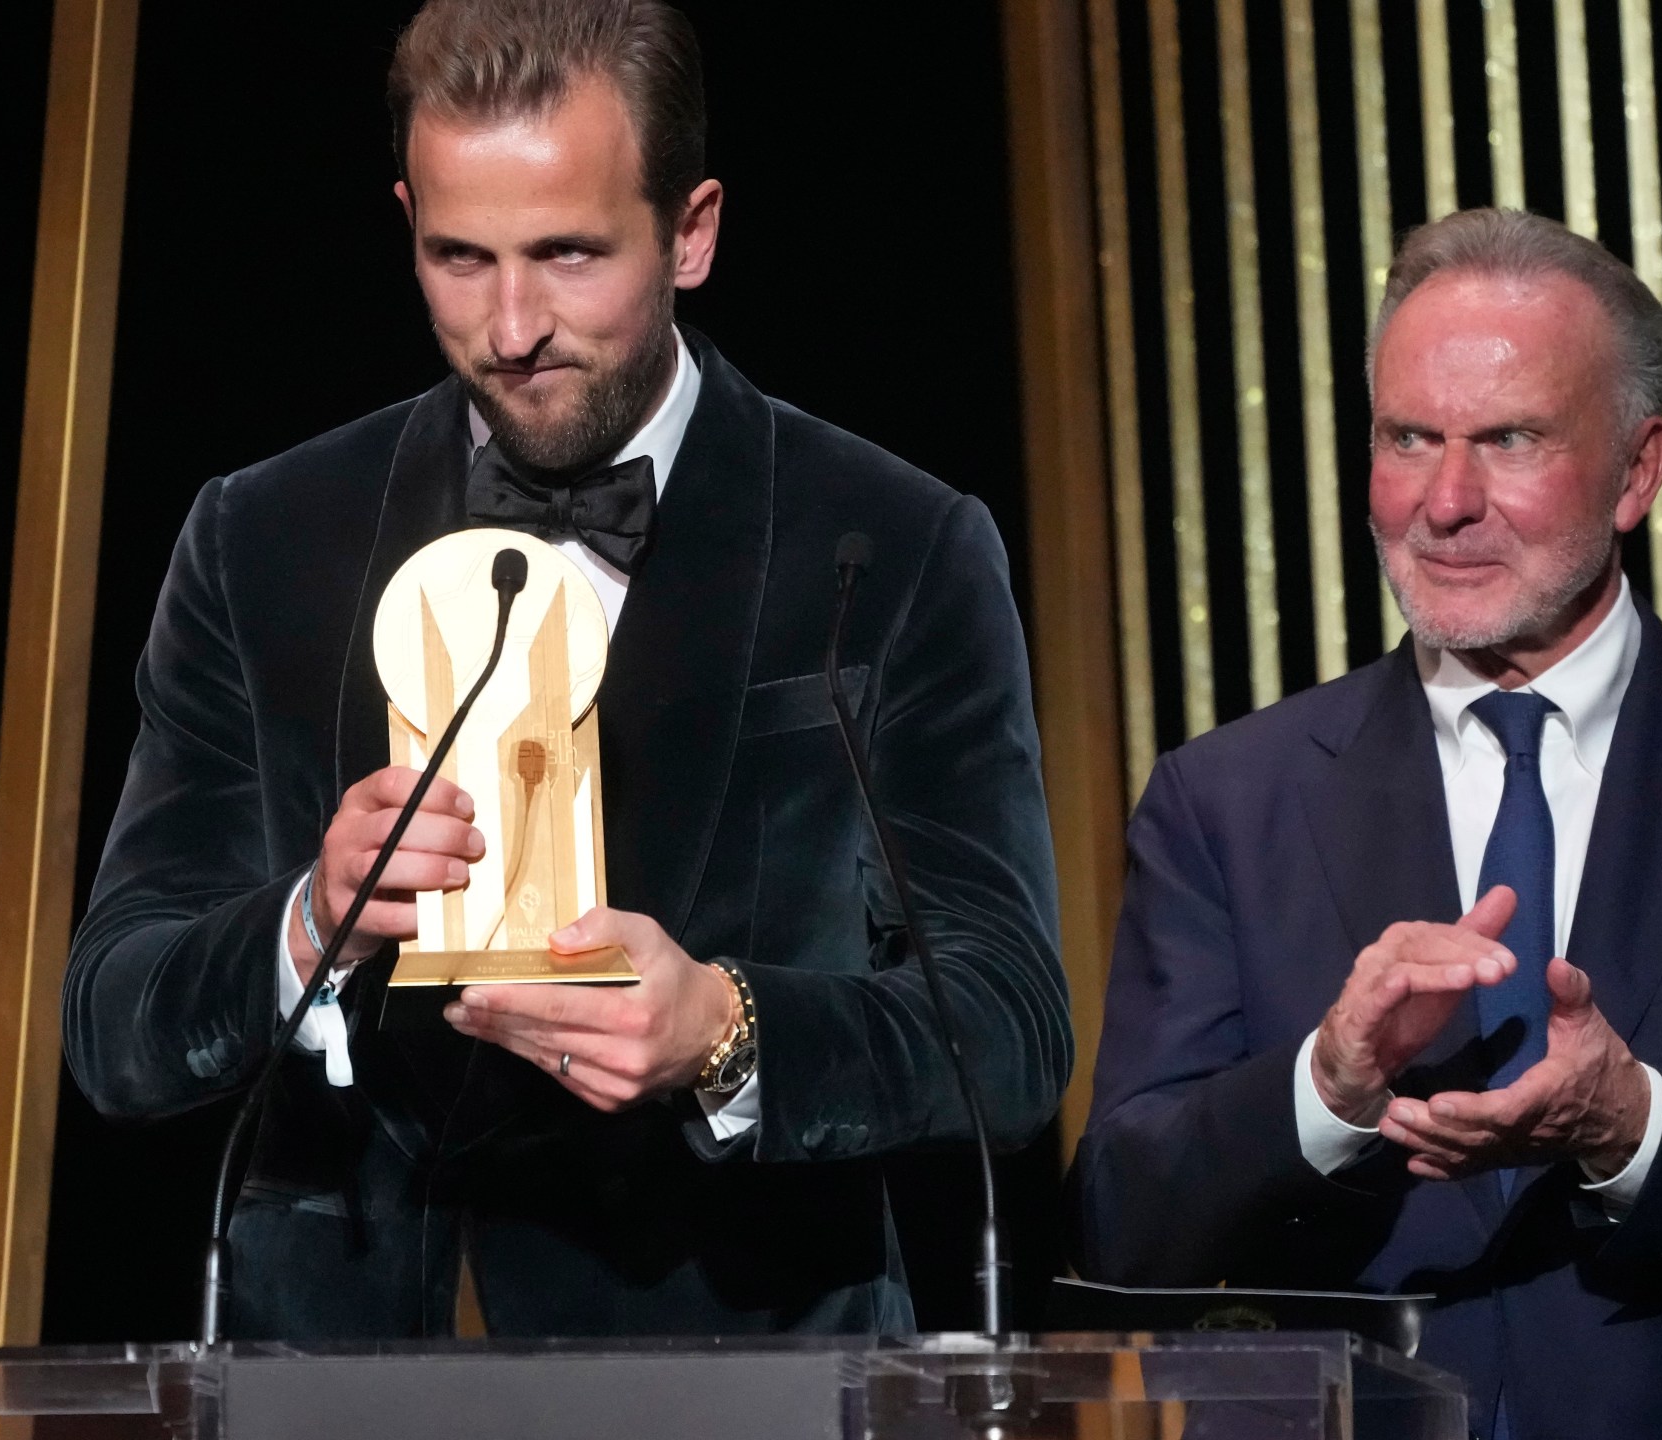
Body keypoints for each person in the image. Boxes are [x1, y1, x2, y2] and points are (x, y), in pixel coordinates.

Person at [64, 0, 1069, 1340]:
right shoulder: (263, 538)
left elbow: (1008, 1032)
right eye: (458, 258)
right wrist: (308, 921)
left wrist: (727, 1030)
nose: (511, 326)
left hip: (740, 1381)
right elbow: (117, 1021)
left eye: (569, 255)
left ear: (691, 232)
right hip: (343, 1379)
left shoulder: (893, 546)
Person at [1073, 208, 1662, 1439]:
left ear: (1638, 469)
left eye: (1508, 440)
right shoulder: (1225, 800)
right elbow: (1122, 1226)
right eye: (1408, 437)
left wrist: (1635, 1124)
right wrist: (1324, 1085)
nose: (1444, 500)